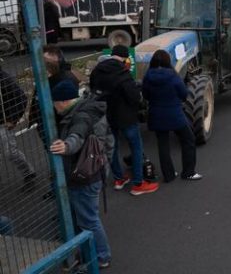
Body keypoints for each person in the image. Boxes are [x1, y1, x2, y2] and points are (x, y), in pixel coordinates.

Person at [49, 80, 112, 269]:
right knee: (86, 217)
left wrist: (66, 146)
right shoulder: (89, 107)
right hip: (93, 172)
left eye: (54, 102)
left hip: (84, 177)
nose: (54, 107)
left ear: (62, 101)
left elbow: (78, 135)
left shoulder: (81, 116)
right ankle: (88, 252)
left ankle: (102, 256)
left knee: (88, 220)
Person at [89, 45, 158, 196]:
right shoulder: (123, 73)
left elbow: (92, 89)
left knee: (112, 147)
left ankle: (119, 179)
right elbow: (134, 97)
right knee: (136, 146)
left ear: (112, 55)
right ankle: (138, 184)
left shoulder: (97, 71)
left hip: (106, 115)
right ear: (125, 57)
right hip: (126, 117)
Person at [141, 50, 201, 183]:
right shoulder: (173, 76)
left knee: (163, 145)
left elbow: (145, 95)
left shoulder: (148, 76)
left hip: (156, 115)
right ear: (168, 61)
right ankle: (188, 172)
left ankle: (169, 175)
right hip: (175, 115)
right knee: (189, 140)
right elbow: (184, 94)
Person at [0, 65, 36, 189]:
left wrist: (13, 119)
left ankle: (29, 173)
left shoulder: (4, 79)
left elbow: (21, 98)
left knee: (10, 152)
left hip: (3, 123)